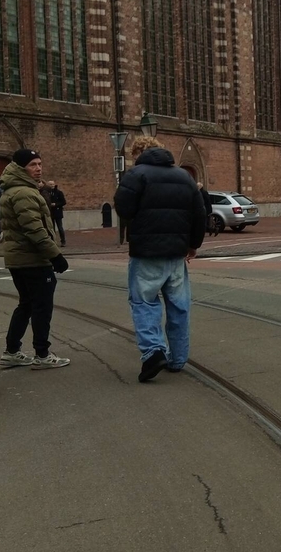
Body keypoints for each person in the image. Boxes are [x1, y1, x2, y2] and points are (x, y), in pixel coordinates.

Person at [115, 136, 206, 382]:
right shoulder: (184, 176)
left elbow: (123, 208)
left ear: (137, 154)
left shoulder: (136, 175)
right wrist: (193, 246)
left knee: (144, 302)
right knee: (179, 305)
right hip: (176, 253)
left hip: (146, 252)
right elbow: (200, 213)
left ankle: (154, 352)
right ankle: (178, 359)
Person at [0, 149, 70, 370]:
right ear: (21, 168)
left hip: (19, 258)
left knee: (26, 304)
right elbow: (34, 229)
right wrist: (55, 255)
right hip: (32, 259)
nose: (38, 169)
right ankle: (42, 353)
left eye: (39, 164)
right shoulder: (23, 193)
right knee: (41, 306)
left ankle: (12, 351)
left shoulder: (15, 189)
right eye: (32, 165)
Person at [45, 180, 67, 247]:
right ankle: (53, 241)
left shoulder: (59, 192)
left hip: (58, 212)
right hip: (50, 212)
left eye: (52, 184)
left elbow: (63, 202)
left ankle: (63, 241)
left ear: (54, 185)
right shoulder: (46, 193)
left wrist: (56, 204)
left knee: (60, 227)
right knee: (52, 228)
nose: (51, 186)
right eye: (50, 184)